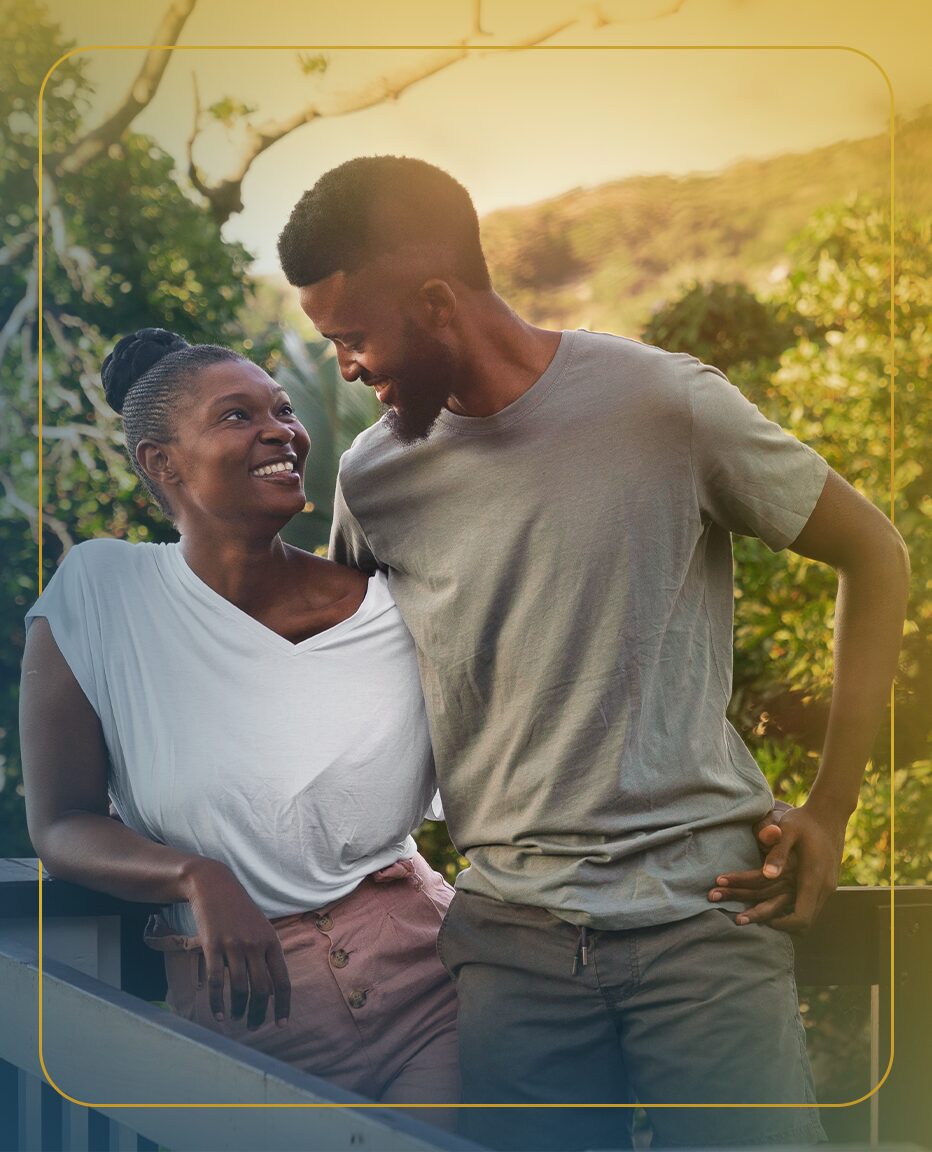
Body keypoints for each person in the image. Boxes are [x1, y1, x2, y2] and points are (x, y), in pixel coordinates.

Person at [278, 156, 910, 1150]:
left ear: (437, 303)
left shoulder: (662, 406)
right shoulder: (373, 477)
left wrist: (830, 809)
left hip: (703, 920)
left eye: (352, 338)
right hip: (513, 945)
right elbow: (348, 685)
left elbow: (873, 553)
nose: (346, 367)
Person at [19, 329, 460, 1116]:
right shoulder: (101, 596)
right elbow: (60, 823)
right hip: (246, 1009)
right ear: (162, 462)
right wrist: (196, 874)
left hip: (431, 980)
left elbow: (512, 751)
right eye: (237, 415)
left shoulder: (389, 607)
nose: (281, 431)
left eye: (284, 410)